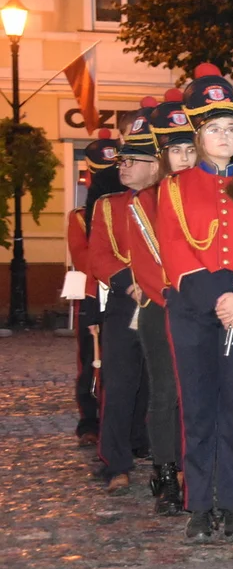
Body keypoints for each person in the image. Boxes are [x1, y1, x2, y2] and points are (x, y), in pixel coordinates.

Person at [157, 63, 233, 541]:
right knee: (199, 408)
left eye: (231, 127)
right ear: (199, 134)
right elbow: (175, 251)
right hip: (193, 309)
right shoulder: (173, 187)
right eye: (214, 128)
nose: (224, 135)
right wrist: (218, 299)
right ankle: (197, 506)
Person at [128, 91, 195, 516]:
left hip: (203, 310)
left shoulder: (213, 193)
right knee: (166, 393)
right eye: (176, 151)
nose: (185, 158)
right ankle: (166, 473)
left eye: (191, 148)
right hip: (164, 307)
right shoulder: (146, 201)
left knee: (201, 395)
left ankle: (199, 470)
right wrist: (181, 298)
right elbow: (147, 266)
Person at [88, 110, 156, 495]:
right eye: (122, 161)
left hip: (163, 300)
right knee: (118, 383)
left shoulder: (170, 204)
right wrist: (131, 282)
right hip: (124, 304)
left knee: (163, 385)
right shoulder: (108, 206)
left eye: (132, 161)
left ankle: (165, 457)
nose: (123, 167)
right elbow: (98, 256)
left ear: (154, 166)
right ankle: (116, 462)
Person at [68, 132, 118, 448]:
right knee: (90, 363)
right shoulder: (80, 218)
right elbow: (86, 259)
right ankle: (89, 420)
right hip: (91, 294)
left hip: (122, 294)